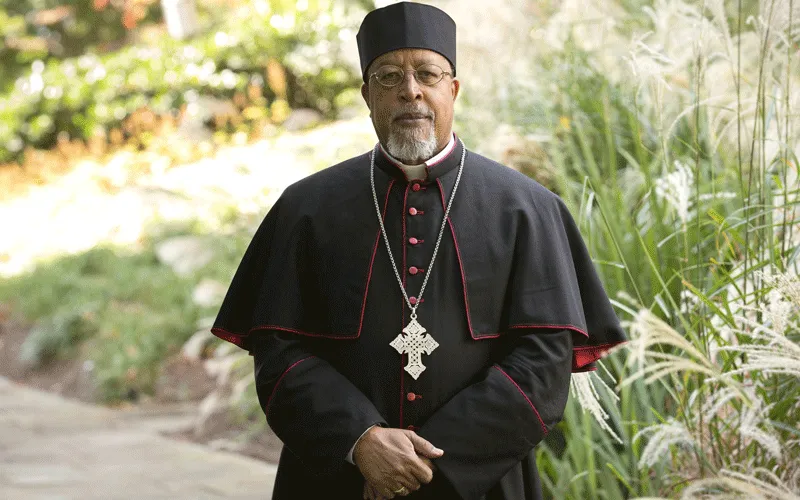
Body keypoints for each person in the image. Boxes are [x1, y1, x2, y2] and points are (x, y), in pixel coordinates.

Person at [210, 2, 628, 499]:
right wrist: (360, 442)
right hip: (334, 482)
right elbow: (279, 354)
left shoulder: (526, 209)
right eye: (389, 77)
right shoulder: (307, 208)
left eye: (427, 73)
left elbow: (543, 363)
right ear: (367, 96)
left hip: (480, 486)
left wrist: (425, 467)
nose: (410, 90)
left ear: (452, 89)